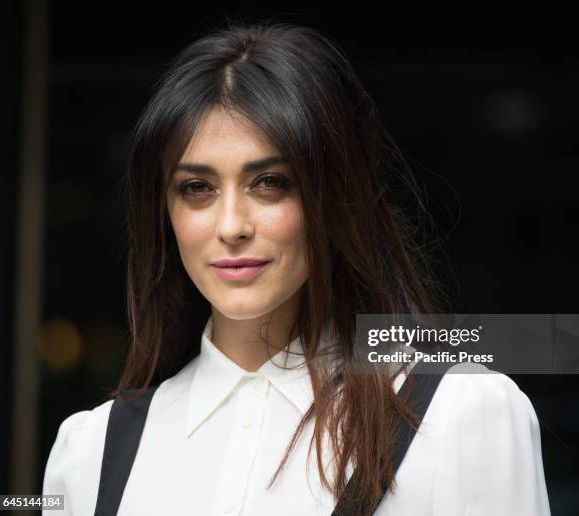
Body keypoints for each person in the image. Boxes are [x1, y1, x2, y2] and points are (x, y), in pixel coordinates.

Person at [42, 20, 551, 516]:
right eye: (197, 188)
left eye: (269, 183)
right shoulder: (89, 453)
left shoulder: (461, 415)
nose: (232, 226)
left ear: (333, 200)